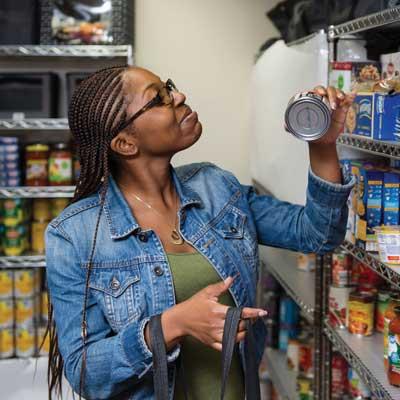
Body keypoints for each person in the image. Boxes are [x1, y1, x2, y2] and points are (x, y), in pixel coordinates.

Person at [45, 65, 355, 400]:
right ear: (125, 142)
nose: (179, 96)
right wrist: (171, 325)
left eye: (169, 87)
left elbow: (318, 233)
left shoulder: (216, 187)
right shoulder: (74, 235)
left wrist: (322, 145)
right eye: (159, 99)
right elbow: (85, 372)